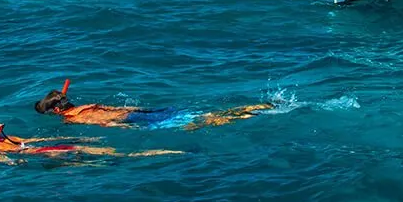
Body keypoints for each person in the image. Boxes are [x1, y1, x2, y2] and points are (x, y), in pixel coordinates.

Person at [0, 104, 181, 164]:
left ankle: (168, 151)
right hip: (49, 146)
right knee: (108, 151)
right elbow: (28, 141)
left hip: (47, 153)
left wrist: (15, 163)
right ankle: (170, 150)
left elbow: (8, 158)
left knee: (121, 155)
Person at [32, 84, 275, 132]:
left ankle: (249, 114)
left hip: (136, 121)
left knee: (197, 123)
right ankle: (253, 106)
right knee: (193, 116)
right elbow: (109, 110)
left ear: (55, 110)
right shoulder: (86, 106)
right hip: (141, 112)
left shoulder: (74, 119)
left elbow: (105, 123)